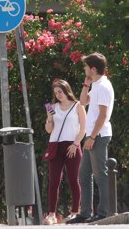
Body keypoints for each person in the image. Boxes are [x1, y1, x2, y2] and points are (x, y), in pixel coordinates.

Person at [67, 52, 114, 224]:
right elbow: (82, 102)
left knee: (100, 174)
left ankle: (104, 212)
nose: (84, 69)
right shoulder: (96, 84)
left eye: (86, 67)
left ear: (93, 68)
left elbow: (102, 115)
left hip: (98, 135)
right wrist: (86, 84)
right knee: (84, 174)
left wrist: (92, 136)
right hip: (92, 135)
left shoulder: (102, 86)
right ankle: (85, 212)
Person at [43, 79, 86, 225]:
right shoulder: (51, 106)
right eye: (55, 92)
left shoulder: (78, 106)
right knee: (54, 180)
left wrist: (76, 144)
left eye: (60, 91)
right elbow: (49, 130)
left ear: (66, 90)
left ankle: (75, 212)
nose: (58, 94)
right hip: (55, 145)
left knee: (74, 179)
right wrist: (49, 118)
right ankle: (51, 214)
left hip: (72, 145)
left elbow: (83, 128)